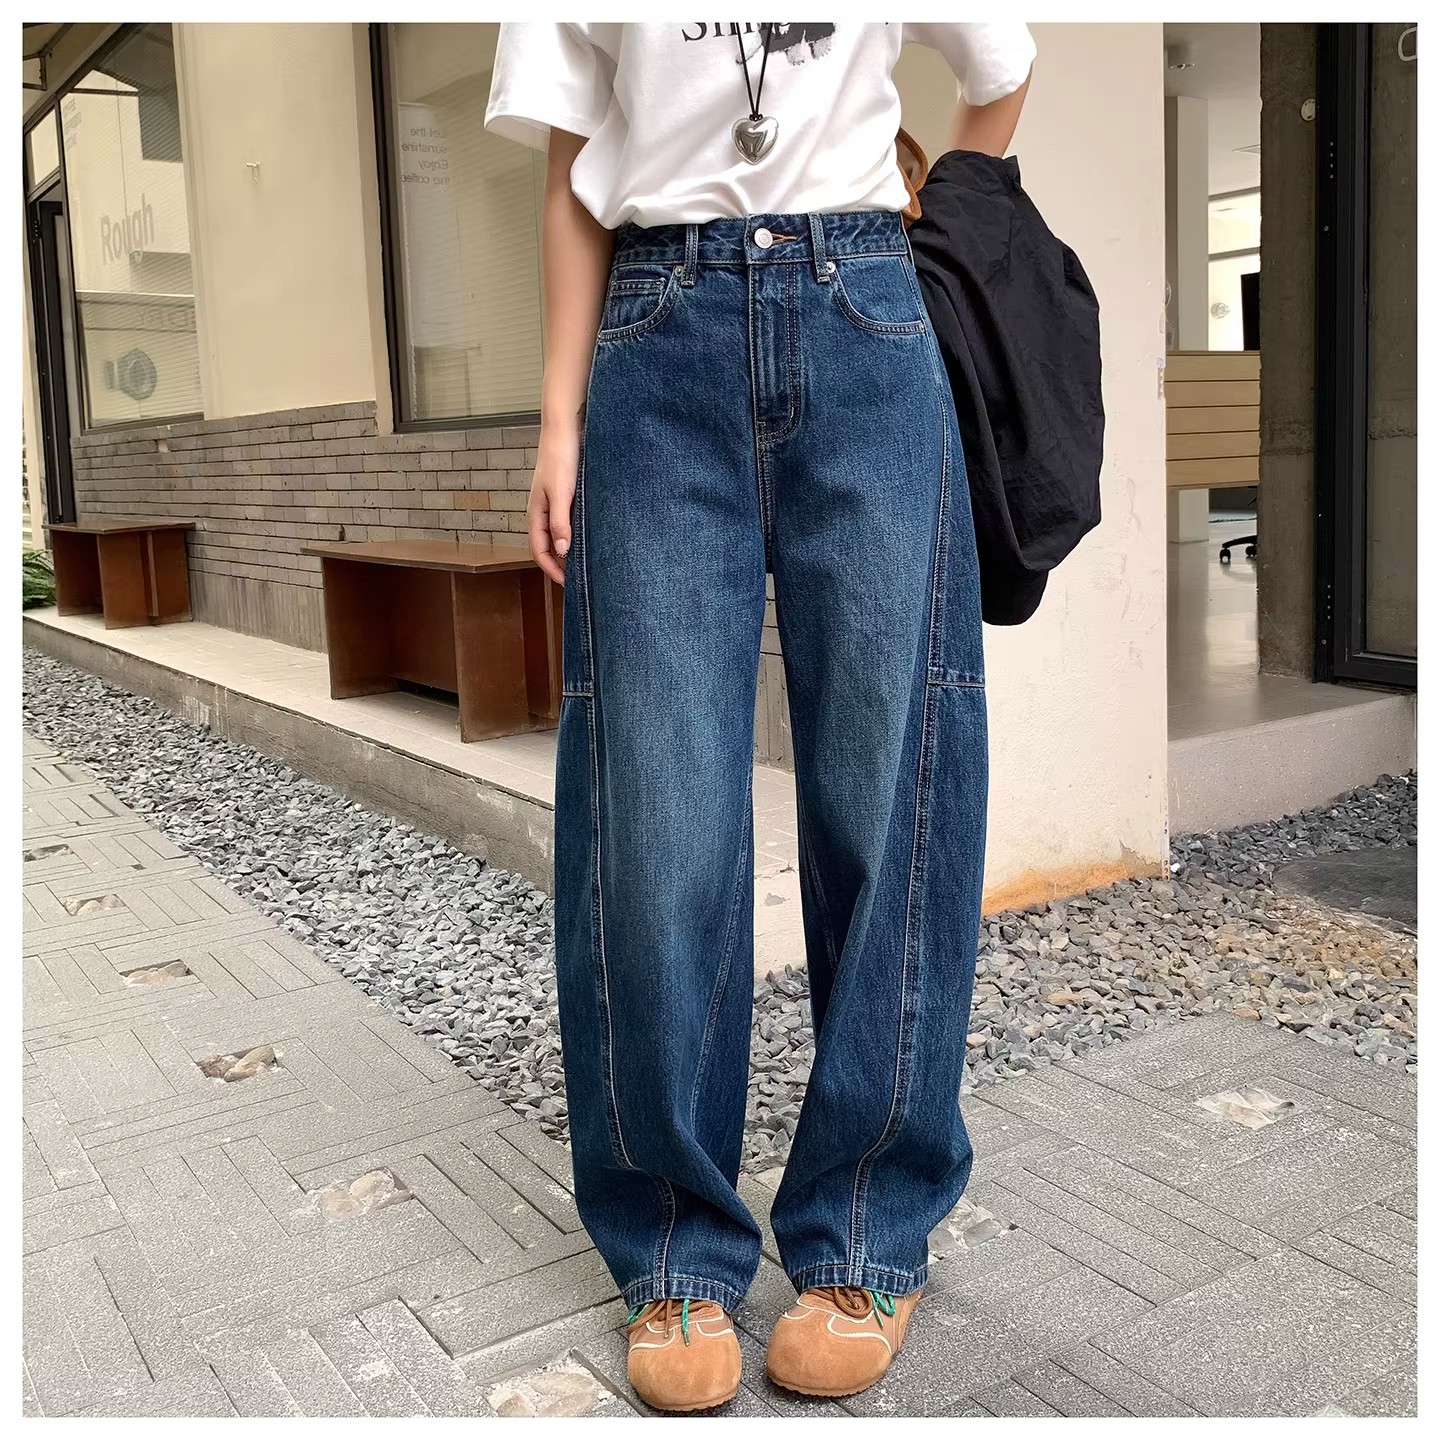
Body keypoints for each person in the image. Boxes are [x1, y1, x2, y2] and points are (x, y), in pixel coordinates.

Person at [486, 20, 1033, 1412]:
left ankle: (869, 1230)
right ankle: (674, 1248)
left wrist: (926, 236)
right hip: (655, 336)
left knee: (891, 789)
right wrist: (558, 420)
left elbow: (1000, 66)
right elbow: (572, 165)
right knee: (657, 810)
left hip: (867, 320)